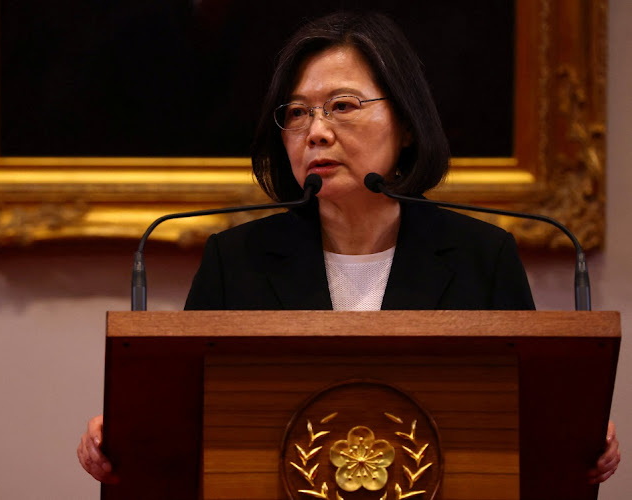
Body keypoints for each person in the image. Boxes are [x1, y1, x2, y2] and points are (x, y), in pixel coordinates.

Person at [78, 11, 620, 483]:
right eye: (296, 112)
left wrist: (569, 433)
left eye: (342, 105)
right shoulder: (235, 261)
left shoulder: (483, 257)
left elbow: (522, 425)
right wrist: (128, 435)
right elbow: (187, 422)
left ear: (405, 124)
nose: (315, 131)